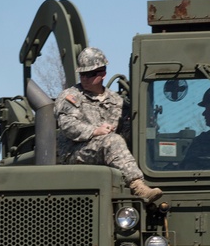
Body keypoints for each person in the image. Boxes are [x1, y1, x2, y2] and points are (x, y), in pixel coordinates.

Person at [55, 47, 162, 202]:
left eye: (90, 74)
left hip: (105, 152)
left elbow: (128, 131)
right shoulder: (70, 96)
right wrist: (95, 131)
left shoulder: (116, 101)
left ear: (103, 74)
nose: (84, 78)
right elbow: (68, 125)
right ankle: (137, 186)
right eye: (82, 74)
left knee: (120, 139)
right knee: (112, 140)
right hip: (74, 152)